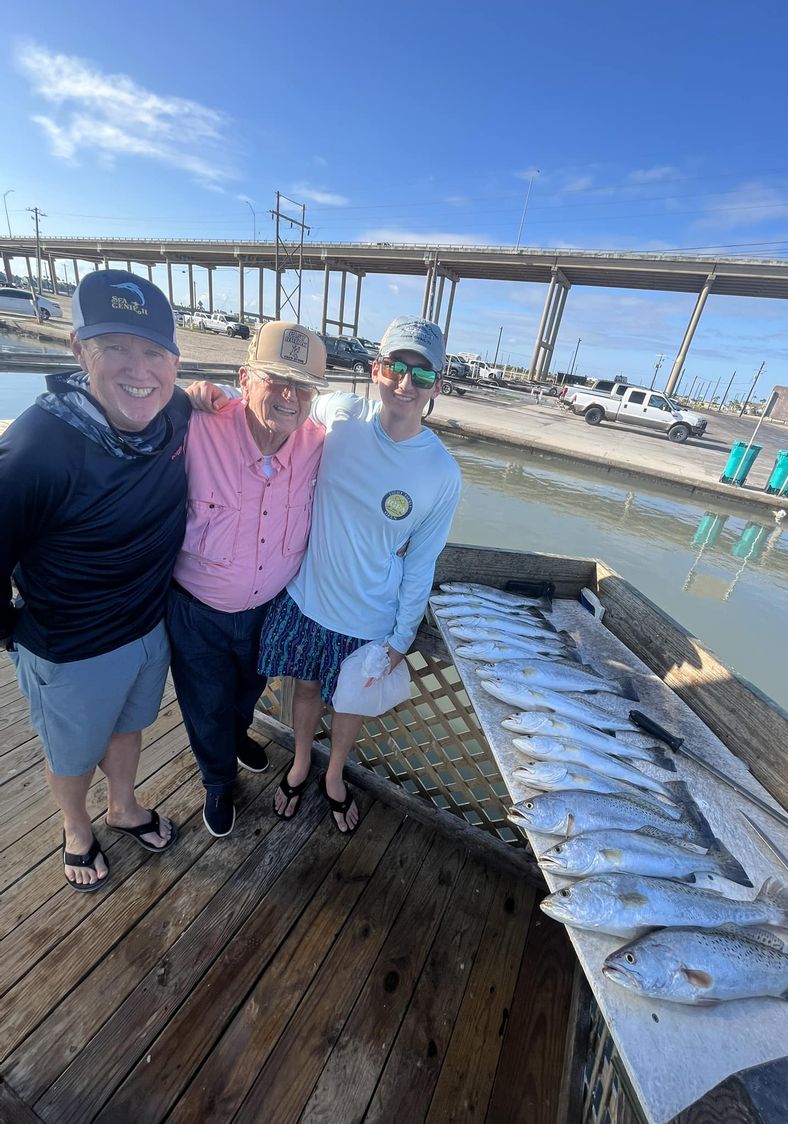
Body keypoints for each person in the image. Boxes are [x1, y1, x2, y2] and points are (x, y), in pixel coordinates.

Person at [0, 269, 187, 891]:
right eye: (115, 347)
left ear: (174, 361)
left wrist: (212, 394)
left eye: (154, 351)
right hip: (71, 646)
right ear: (79, 350)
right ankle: (76, 828)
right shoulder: (38, 445)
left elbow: (208, 400)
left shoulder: (175, 412)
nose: (140, 369)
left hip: (147, 627)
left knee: (131, 729)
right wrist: (19, 631)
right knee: (72, 754)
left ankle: (124, 805)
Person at [259, 316, 462, 833]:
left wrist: (402, 636)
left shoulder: (441, 472)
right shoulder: (339, 414)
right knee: (304, 689)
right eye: (396, 366)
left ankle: (333, 774)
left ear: (437, 385)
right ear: (376, 370)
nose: (405, 383)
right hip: (309, 597)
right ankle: (301, 761)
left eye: (421, 374)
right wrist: (205, 398)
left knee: (348, 706)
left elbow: (421, 561)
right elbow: (275, 406)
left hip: (371, 614)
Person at [168, 323, 328, 838]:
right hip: (197, 609)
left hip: (269, 609)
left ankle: (236, 737)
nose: (289, 395)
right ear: (244, 378)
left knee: (248, 691)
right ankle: (217, 781)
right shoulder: (197, 426)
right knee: (205, 703)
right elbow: (130, 414)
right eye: (276, 379)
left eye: (303, 385)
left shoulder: (319, 444)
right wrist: (181, 397)